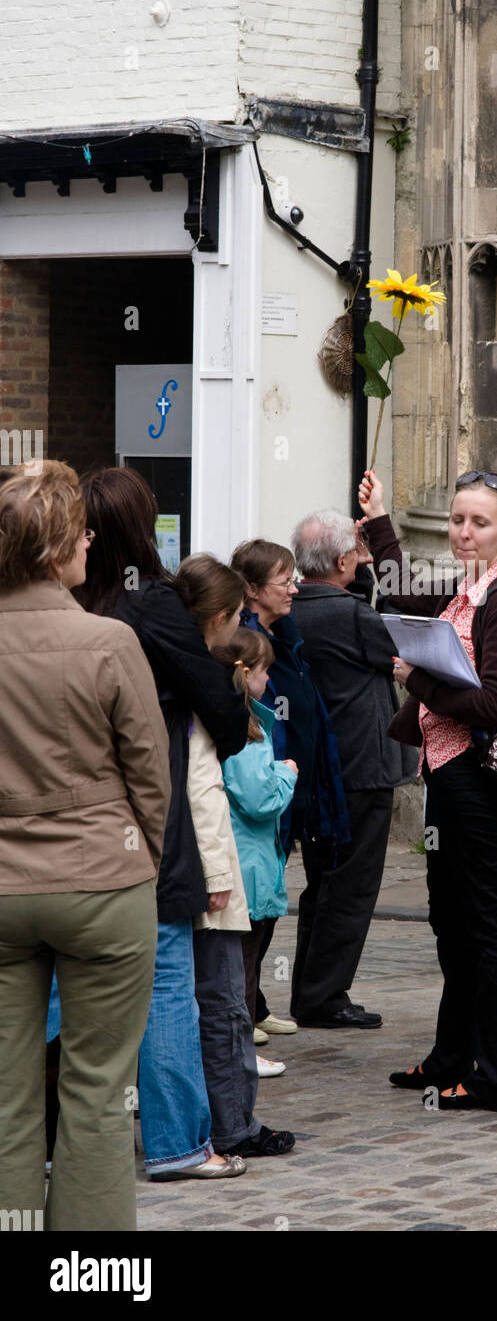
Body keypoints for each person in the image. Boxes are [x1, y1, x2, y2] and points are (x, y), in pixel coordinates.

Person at [0, 461, 170, 1230]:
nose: (91, 541)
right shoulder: (107, 639)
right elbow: (150, 775)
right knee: (99, 1093)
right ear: (58, 545)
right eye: (80, 531)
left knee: (8, 1096)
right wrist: (144, 859)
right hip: (105, 877)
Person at [75, 467, 249, 1180]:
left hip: (68, 824)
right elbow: (227, 718)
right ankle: (178, 1143)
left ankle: (49, 1142)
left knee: (61, 984)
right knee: (168, 976)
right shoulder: (151, 605)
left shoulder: (63, 603)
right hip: (151, 817)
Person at [359, 467, 497, 1111]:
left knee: (491, 928)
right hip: (443, 770)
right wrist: (380, 519)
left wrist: (418, 680)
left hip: (472, 774)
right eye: (458, 521)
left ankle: (494, 1079)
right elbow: (399, 591)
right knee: (452, 920)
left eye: (480, 523)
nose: (464, 533)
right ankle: (449, 1057)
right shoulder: (466, 590)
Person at [175, 554, 296, 1157]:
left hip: (190, 868)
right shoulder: (215, 704)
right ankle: (232, 1126)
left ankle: (206, 1123)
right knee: (224, 998)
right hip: (217, 872)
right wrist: (220, 876)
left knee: (211, 995)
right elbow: (218, 793)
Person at [288, 510, 417, 1029]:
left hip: (320, 769)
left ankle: (309, 991)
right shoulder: (351, 616)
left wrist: (356, 562)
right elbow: (400, 643)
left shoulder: (296, 606)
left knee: (322, 883)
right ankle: (324, 996)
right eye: (353, 555)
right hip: (362, 768)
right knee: (352, 887)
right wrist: (371, 560)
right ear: (343, 560)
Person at [231, 537, 351, 1040]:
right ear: (254, 591)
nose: (295, 589)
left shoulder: (287, 634)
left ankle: (252, 1004)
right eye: (284, 581)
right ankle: (239, 1010)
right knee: (252, 909)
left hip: (292, 784)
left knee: (269, 900)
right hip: (270, 785)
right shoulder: (247, 643)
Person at [212, 628, 298, 1045]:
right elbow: (260, 800)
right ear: (246, 674)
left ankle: (241, 1038)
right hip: (248, 868)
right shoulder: (244, 733)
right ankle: (239, 1046)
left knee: (245, 964)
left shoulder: (247, 722)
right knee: (241, 967)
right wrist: (287, 773)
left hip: (251, 863)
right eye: (265, 671)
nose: (269, 681)